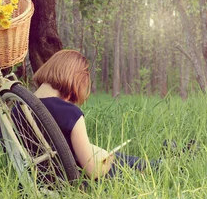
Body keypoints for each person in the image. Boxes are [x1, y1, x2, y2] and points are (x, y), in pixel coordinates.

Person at [32, 49, 158, 179]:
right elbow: (93, 171)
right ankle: (162, 166)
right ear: (74, 80)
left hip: (39, 177)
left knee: (120, 158)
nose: (69, 100)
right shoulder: (69, 113)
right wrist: (107, 161)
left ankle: (160, 164)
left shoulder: (18, 106)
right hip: (73, 181)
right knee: (118, 161)